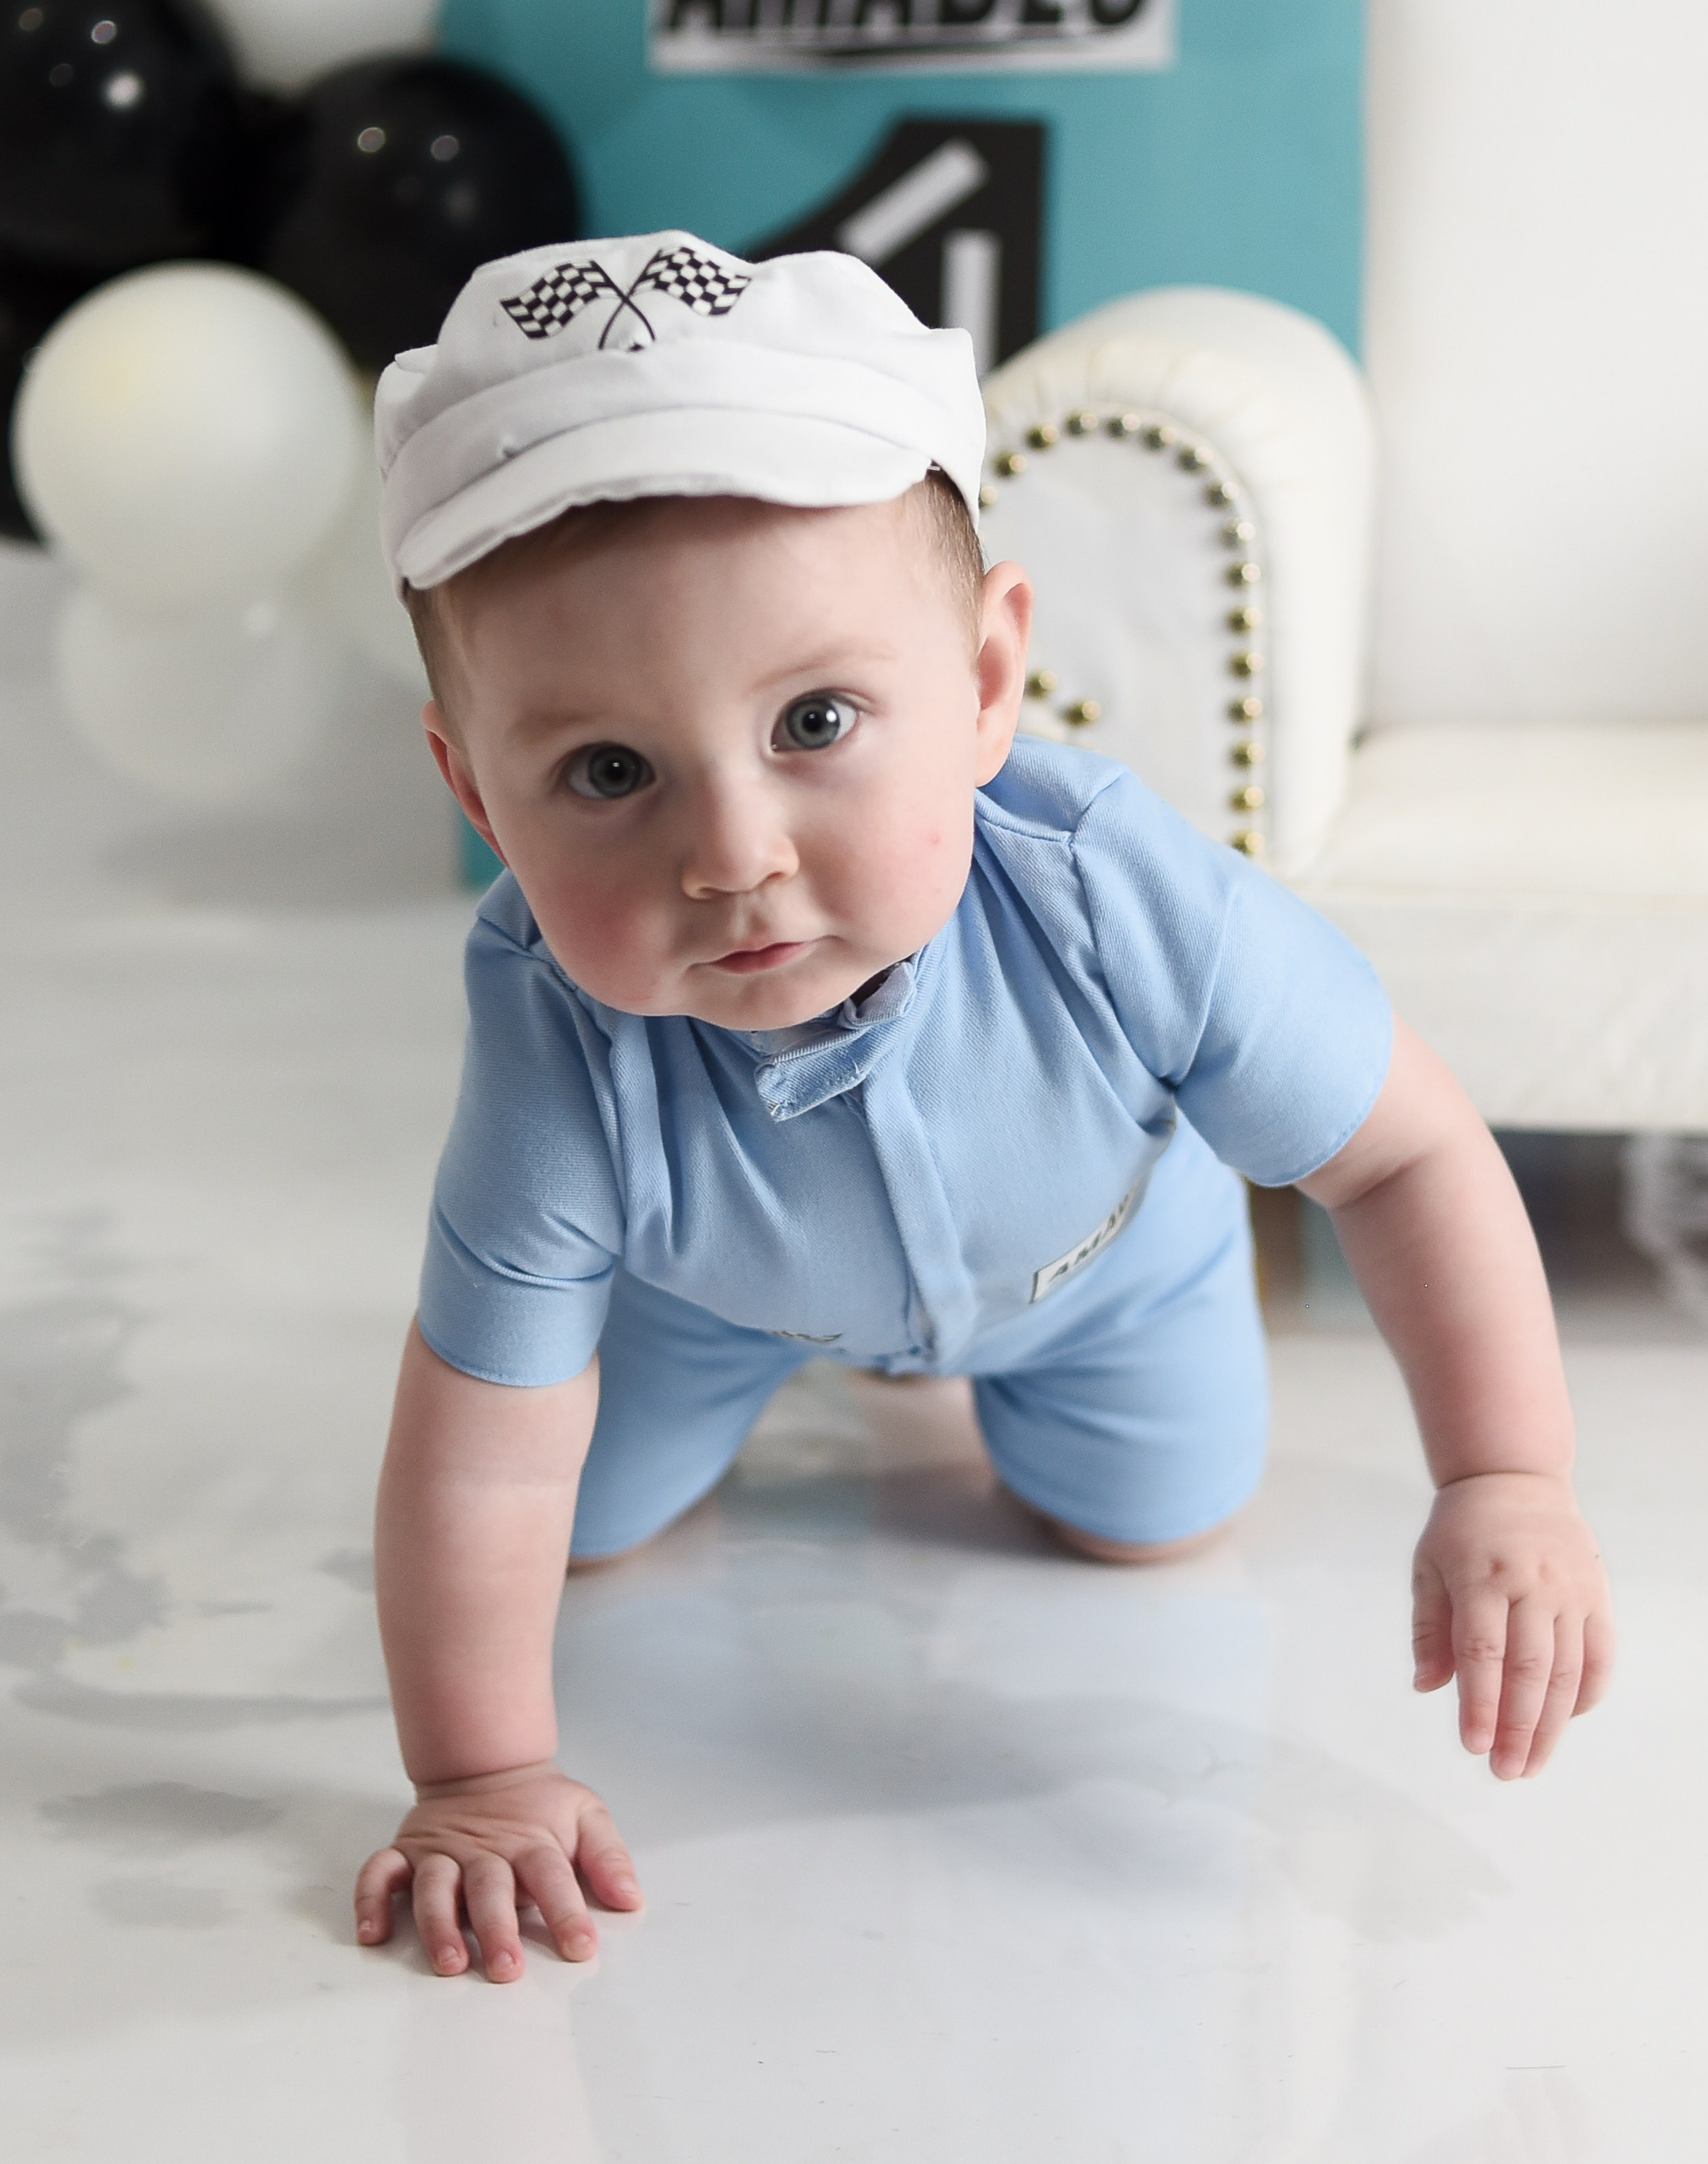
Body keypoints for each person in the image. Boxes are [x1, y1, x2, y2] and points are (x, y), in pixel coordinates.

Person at [353, 232, 1613, 1985]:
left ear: (984, 678)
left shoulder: (1101, 887)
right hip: (717, 1291)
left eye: (815, 718)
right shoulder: (552, 1032)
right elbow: (484, 1426)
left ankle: (989, 1405)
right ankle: (796, 1382)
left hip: (1108, 1271)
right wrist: (477, 1772)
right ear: (473, 789)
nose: (731, 853)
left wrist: (1503, 1473)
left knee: (1153, 1525)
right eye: (607, 772)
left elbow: (1401, 1150)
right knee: (577, 1534)